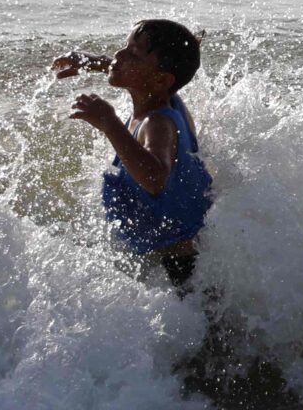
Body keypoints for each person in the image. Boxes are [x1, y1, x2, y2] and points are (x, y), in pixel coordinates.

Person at [52, 19, 213, 285]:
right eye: (124, 47)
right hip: (177, 247)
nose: (119, 55)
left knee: (199, 323)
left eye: (133, 53)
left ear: (163, 79)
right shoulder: (167, 97)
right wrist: (93, 62)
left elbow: (155, 178)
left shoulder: (157, 124)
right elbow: (137, 74)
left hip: (174, 264)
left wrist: (110, 124)